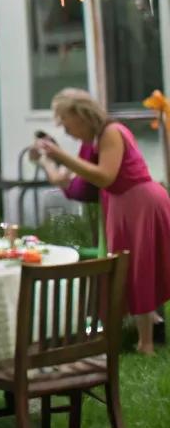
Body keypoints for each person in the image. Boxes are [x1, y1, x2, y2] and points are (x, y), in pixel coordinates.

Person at [35, 87, 170, 354]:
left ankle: (146, 344)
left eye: (66, 121)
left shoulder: (112, 132)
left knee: (140, 269)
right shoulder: (94, 141)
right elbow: (75, 181)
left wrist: (61, 156)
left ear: (81, 115)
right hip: (123, 205)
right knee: (127, 271)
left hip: (140, 203)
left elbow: (105, 176)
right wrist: (48, 161)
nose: (65, 129)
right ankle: (142, 332)